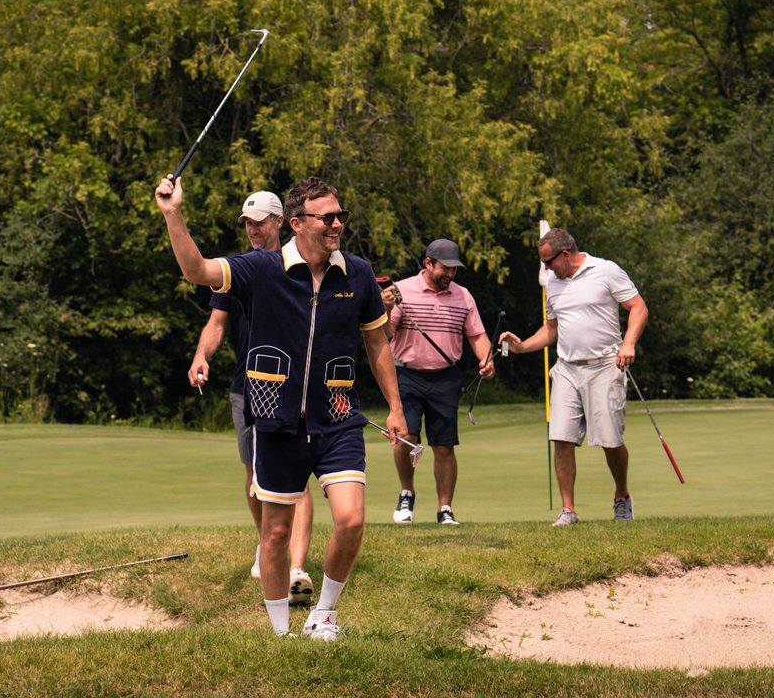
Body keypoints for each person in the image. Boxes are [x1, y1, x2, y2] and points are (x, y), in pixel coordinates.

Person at [157, 173, 407, 640]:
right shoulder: (262, 269)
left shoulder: (357, 272)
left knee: (352, 520)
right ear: (297, 223)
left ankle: (325, 615)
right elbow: (197, 271)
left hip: (338, 417)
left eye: (340, 216)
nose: (337, 224)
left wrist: (395, 406)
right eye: (327, 217)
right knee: (274, 534)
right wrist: (174, 215)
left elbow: (376, 343)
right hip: (276, 421)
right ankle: (280, 633)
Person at [188, 190, 315, 605]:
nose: (252, 229)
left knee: (296, 476)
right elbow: (217, 322)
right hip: (249, 386)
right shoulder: (240, 270)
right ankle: (268, 545)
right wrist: (201, 355)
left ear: (280, 221)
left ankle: (296, 567)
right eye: (247, 222)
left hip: (298, 387)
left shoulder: (303, 264)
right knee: (254, 475)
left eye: (259, 221)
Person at [497, 228, 648, 526]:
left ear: (565, 255)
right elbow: (552, 328)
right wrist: (522, 346)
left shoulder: (606, 271)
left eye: (548, 261)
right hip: (566, 367)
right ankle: (569, 510)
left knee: (611, 440)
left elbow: (638, 307)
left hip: (606, 365)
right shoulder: (554, 283)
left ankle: (621, 496)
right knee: (561, 437)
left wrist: (628, 343)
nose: (546, 268)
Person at [381, 239, 495, 526]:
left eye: (454, 270)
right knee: (407, 435)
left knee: (444, 445)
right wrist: (385, 309)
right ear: (428, 263)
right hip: (406, 374)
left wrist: (486, 359)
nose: (450, 275)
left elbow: (477, 335)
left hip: (445, 377)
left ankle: (445, 509)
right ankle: (407, 493)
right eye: (445, 268)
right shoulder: (401, 291)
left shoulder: (463, 296)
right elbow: (384, 334)